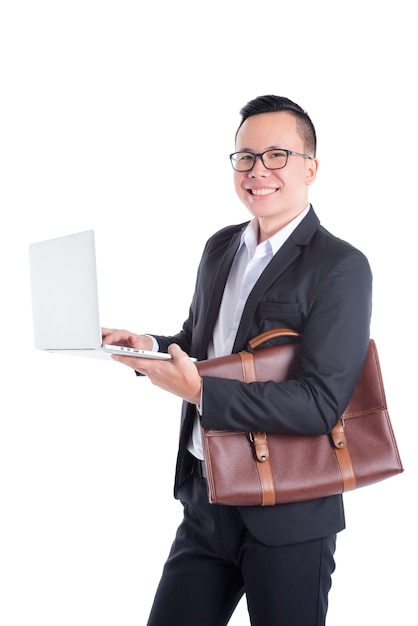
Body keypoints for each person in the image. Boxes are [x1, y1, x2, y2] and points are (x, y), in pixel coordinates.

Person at [102, 94, 372, 626]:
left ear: (311, 168)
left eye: (277, 155)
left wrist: (200, 391)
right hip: (207, 499)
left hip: (288, 516)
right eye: (245, 157)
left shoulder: (341, 266)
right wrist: (147, 347)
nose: (257, 170)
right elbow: (203, 347)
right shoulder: (220, 248)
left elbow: (320, 404)